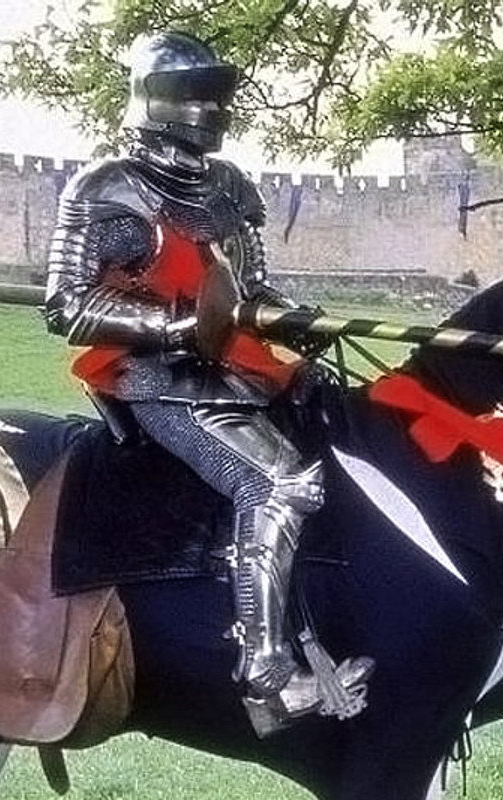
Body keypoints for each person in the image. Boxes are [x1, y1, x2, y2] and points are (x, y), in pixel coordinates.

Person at [42, 30, 369, 735]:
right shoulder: (109, 188)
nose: (210, 109)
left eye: (217, 95)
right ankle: (268, 680)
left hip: (239, 375)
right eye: (195, 93)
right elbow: (67, 305)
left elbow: (253, 290)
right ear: (153, 98)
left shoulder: (231, 188)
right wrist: (176, 328)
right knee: (277, 482)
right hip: (156, 378)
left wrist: (291, 321)